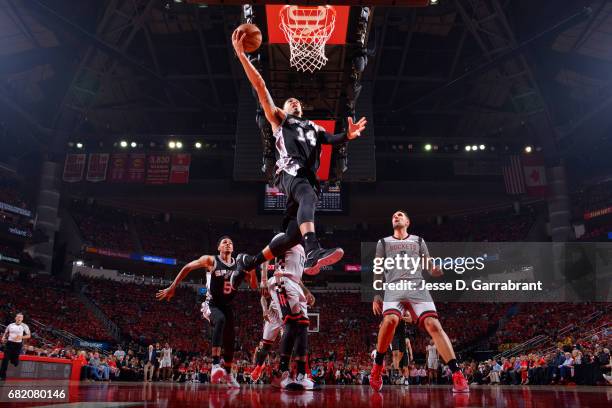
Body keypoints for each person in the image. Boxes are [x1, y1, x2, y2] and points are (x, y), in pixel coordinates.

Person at [230, 28, 367, 278]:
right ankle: (313, 249)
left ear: (302, 108)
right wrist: (242, 56)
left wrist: (348, 135)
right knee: (307, 196)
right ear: (283, 108)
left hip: (308, 178)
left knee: (291, 237)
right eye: (289, 100)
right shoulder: (280, 120)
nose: (294, 101)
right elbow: (260, 86)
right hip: (290, 172)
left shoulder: (314, 127)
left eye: (297, 101)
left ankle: (248, 262)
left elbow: (331, 139)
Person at [370, 210, 469, 393]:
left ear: (407, 221)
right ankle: (377, 367)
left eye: (400, 215)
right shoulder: (383, 242)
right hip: (393, 287)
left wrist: (436, 271)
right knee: (390, 320)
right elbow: (377, 268)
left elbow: (429, 266)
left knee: (433, 325)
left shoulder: (418, 241)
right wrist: (377, 293)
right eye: (393, 215)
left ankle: (457, 373)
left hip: (417, 287)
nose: (396, 216)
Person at [157, 236, 252, 388]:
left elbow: (252, 283)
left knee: (230, 339)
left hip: (227, 305)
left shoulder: (239, 264)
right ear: (219, 248)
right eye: (224, 242)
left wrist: (251, 272)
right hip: (211, 304)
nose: (228, 244)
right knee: (220, 320)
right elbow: (187, 267)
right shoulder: (211, 260)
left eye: (231, 242)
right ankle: (215, 365)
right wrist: (172, 286)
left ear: (233, 248)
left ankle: (227, 373)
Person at [0, 312, 31, 380]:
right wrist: (3, 337)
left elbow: (28, 335)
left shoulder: (24, 326)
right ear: (15, 318)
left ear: (22, 319)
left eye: (21, 317)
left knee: (14, 361)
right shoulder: (10, 325)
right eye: (18, 317)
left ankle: (14, 361)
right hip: (9, 344)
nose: (19, 318)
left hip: (18, 345)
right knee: (5, 359)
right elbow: (5, 332)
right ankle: (2, 376)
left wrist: (21, 337)